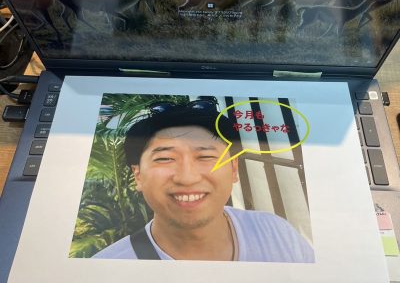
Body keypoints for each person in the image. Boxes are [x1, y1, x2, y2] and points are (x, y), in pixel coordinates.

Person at [92, 100, 315, 262]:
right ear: (138, 175)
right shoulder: (105, 268)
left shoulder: (277, 233)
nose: (187, 178)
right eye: (165, 158)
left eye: (206, 156)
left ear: (233, 169)